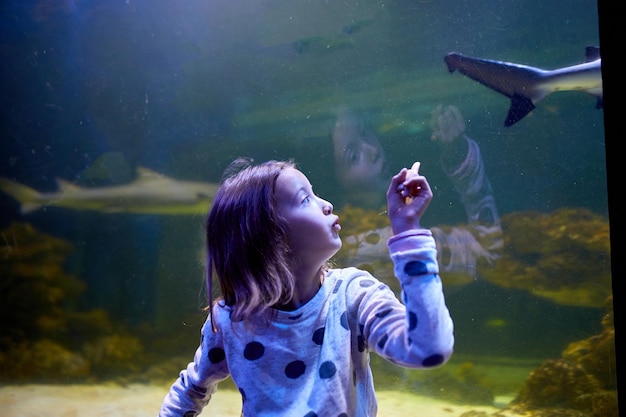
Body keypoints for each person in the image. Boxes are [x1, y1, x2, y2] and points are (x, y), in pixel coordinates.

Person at [159, 157, 454, 416]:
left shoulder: (354, 295)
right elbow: (191, 389)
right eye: (305, 199)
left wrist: (407, 232)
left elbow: (427, 348)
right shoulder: (231, 320)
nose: (327, 205)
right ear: (270, 237)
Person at [332, 105, 502, 283]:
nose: (374, 151)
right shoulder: (377, 248)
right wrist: (461, 159)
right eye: (353, 156)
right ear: (333, 181)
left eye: (365, 133)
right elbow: (488, 254)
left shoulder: (346, 241)